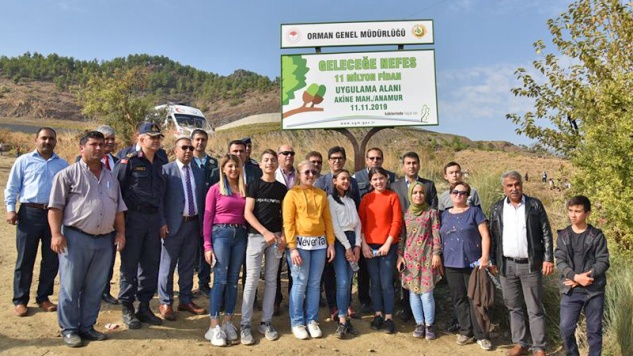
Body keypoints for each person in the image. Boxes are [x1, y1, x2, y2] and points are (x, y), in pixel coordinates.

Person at [48, 130, 126, 347]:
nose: (99, 148)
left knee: (95, 287)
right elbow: (55, 207)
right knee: (71, 286)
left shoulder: (111, 177)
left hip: (104, 240)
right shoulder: (67, 175)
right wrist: (56, 234)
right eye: (93, 144)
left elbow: (118, 209)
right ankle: (70, 329)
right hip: (75, 238)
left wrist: (121, 233)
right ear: (82, 148)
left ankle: (87, 326)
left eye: (102, 144)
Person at [4, 127, 68, 317]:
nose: (47, 142)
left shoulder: (62, 165)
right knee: (25, 258)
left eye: (51, 139)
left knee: (51, 258)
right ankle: (20, 300)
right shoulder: (23, 161)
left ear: (56, 141)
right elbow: (12, 187)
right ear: (36, 140)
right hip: (29, 213)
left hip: (54, 215)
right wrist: (10, 210)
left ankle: (43, 297)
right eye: (43, 138)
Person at [489, 171, 554, 356]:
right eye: (509, 185)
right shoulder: (497, 208)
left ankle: (539, 347)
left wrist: (548, 258)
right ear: (504, 187)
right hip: (506, 265)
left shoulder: (534, 205)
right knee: (513, 306)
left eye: (516, 184)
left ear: (522, 185)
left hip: (531, 264)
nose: (514, 188)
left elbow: (546, 232)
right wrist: (493, 260)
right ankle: (520, 343)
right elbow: (493, 237)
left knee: (534, 307)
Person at [114, 122, 166, 329]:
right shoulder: (129, 162)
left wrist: (162, 221)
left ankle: (144, 306)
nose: (155, 140)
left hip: (153, 220)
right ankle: (127, 307)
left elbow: (161, 195)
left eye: (158, 137)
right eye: (151, 137)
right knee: (129, 264)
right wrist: (120, 228)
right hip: (133, 219)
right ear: (140, 138)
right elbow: (116, 193)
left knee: (150, 265)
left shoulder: (161, 161)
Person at [240, 149, 288, 345]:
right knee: (251, 280)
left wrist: (283, 236)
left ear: (277, 164)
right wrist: (264, 232)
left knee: (271, 281)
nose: (269, 163)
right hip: (256, 237)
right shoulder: (253, 185)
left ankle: (266, 322)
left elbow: (285, 215)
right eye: (266, 160)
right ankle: (245, 325)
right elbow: (248, 213)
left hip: (276, 239)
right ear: (260, 164)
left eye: (272, 160)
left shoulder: (282, 188)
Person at [284, 160, 335, 340]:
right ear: (299, 174)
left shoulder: (321, 194)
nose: (311, 175)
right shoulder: (291, 195)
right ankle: (297, 322)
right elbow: (288, 223)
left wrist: (331, 243)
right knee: (300, 282)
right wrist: (292, 248)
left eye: (313, 172)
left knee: (314, 283)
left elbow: (327, 220)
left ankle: (311, 320)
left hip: (319, 245)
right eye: (307, 172)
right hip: (299, 245)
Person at [157, 137, 206, 321]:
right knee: (167, 266)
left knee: (187, 265)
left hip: (193, 224)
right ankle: (165, 302)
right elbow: (160, 200)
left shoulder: (198, 172)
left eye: (190, 148)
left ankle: (185, 300)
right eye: (184, 147)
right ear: (175, 150)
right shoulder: (166, 171)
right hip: (172, 227)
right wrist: (161, 222)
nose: (188, 150)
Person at [440, 181, 492, 350]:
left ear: (467, 195)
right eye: (455, 192)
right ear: (450, 194)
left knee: (475, 299)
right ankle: (465, 330)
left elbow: (485, 235)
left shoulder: (475, 212)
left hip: (472, 263)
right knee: (459, 298)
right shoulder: (444, 215)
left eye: (463, 193)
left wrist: (485, 257)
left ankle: (481, 334)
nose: (459, 195)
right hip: (450, 262)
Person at [556, 195, 609, 356]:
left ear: (587, 213)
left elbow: (603, 262)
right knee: (565, 328)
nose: (573, 215)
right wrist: (575, 277)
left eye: (578, 211)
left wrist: (587, 276)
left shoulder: (596, 236)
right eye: (570, 211)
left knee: (594, 331)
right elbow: (560, 261)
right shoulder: (563, 236)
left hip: (594, 290)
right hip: (570, 290)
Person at [203, 154, 248, 347]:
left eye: (236, 166)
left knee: (233, 281)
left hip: (240, 235)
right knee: (219, 279)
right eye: (230, 166)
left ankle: (228, 321)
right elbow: (207, 218)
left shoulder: (244, 190)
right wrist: (207, 245)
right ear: (223, 169)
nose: (233, 170)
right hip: (220, 234)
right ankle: (214, 325)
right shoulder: (215, 189)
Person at [391, 151, 439, 322]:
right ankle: (408, 311)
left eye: (414, 163)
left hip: (425, 241)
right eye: (408, 163)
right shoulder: (395, 186)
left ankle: (429, 319)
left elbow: (434, 212)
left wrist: (436, 251)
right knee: (407, 279)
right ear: (403, 165)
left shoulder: (429, 184)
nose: (411, 166)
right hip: (405, 238)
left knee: (426, 287)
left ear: (419, 165)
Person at [359, 167, 402, 334]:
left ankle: (389, 317)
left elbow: (396, 222)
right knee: (375, 283)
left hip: (388, 247)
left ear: (386, 179)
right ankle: (378, 314)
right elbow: (360, 223)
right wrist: (364, 245)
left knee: (386, 283)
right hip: (369, 246)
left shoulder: (393, 197)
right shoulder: (366, 199)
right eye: (375, 179)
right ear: (370, 182)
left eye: (381, 178)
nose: (379, 182)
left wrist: (387, 244)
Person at [397, 181, 442, 340]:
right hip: (410, 259)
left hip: (427, 257)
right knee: (414, 294)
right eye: (415, 193)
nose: (418, 195)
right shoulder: (406, 214)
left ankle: (429, 325)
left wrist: (436, 253)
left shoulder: (431, 213)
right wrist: (400, 255)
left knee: (427, 294)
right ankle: (419, 323)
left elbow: (436, 234)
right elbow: (402, 236)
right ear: (410, 195)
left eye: (421, 192)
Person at [328, 169, 362, 339]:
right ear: (334, 181)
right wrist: (348, 247)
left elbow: (357, 224)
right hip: (340, 242)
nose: (346, 181)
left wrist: (357, 245)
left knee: (348, 281)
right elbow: (334, 226)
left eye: (348, 179)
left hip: (351, 240)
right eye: (342, 178)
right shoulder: (330, 200)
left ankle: (345, 318)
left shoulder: (350, 201)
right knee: (342, 281)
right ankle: (342, 319)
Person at [191, 129, 219, 297]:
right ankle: (186, 286)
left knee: (206, 247)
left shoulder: (214, 163)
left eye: (203, 139)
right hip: (192, 210)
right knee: (189, 250)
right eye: (197, 139)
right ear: (192, 141)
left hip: (210, 212)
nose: (200, 143)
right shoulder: (187, 161)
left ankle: (204, 282)